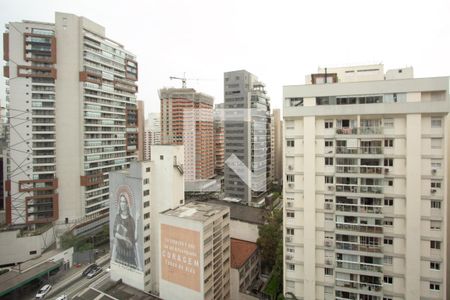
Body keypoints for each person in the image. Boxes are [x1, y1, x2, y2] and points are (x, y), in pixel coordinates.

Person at [111, 194, 137, 268]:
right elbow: (114, 233)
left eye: (124, 202)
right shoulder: (117, 217)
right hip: (120, 252)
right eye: (121, 202)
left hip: (129, 253)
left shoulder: (131, 220)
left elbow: (133, 239)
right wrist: (124, 238)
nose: (122, 204)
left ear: (128, 204)